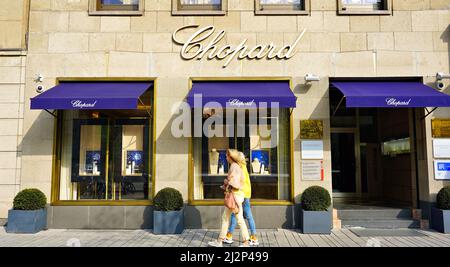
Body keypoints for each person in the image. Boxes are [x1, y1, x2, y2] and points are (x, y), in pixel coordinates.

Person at [208, 149, 250, 247]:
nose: (226, 157)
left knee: (232, 219)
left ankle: (222, 242)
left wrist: (227, 182)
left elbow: (235, 183)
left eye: (227, 156)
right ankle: (243, 242)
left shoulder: (234, 166)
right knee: (232, 218)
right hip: (237, 196)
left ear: (231, 157)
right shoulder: (237, 166)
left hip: (234, 197)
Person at [223, 152, 259, 246]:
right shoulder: (243, 166)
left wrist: (228, 182)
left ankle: (253, 237)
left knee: (245, 215)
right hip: (245, 193)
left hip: (242, 193)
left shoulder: (239, 167)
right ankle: (230, 235)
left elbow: (237, 182)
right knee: (237, 214)